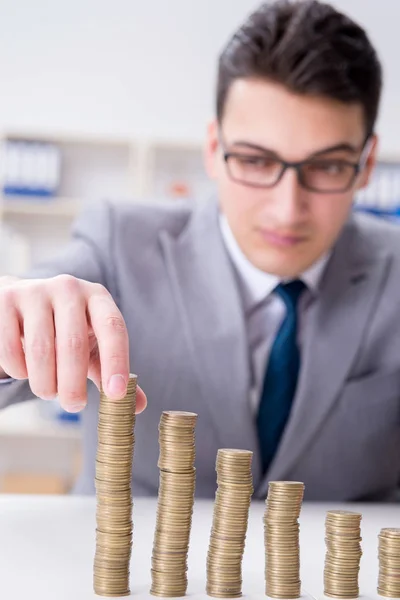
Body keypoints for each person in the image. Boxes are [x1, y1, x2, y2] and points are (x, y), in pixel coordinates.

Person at [0, 0, 399, 502]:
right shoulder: (120, 244)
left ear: (366, 166)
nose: (287, 208)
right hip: (135, 577)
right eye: (255, 160)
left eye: (328, 167)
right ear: (213, 149)